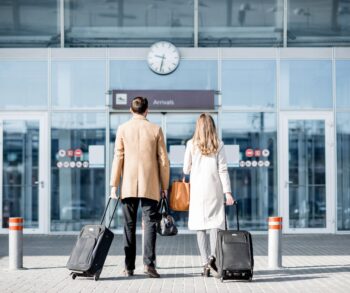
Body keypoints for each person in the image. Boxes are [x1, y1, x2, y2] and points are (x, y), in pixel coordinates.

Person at [110, 96, 170, 278]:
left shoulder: (123, 129)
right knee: (150, 223)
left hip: (128, 184)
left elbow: (118, 157)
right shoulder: (155, 129)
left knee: (128, 225)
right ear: (147, 110)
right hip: (150, 183)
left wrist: (114, 184)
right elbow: (163, 161)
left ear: (131, 110)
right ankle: (149, 265)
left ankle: (129, 267)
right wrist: (164, 185)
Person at [183, 113, 235, 277]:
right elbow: (223, 170)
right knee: (215, 224)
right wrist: (228, 193)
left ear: (198, 127)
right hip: (215, 189)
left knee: (200, 227)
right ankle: (213, 257)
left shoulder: (191, 144)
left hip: (198, 192)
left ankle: (205, 264)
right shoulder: (218, 144)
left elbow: (186, 169)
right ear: (212, 127)